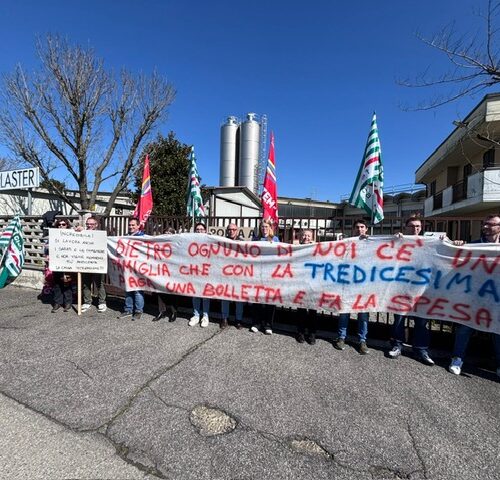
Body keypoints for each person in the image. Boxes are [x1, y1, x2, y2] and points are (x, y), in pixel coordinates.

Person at [449, 214, 500, 377]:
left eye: (490, 224)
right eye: (485, 224)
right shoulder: (475, 245)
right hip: (475, 296)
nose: (485, 227)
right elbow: (458, 259)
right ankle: (457, 359)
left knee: (497, 331)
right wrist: (457, 245)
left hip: (496, 299)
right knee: (464, 328)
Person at [387, 215, 435, 366]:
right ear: (405, 227)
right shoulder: (399, 240)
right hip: (401, 288)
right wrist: (394, 239)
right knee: (399, 320)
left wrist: (456, 243)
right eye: (412, 226)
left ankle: (421, 349)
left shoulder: (429, 242)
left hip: (421, 290)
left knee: (421, 322)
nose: (415, 229)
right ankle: (397, 345)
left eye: (418, 226)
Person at [334, 219, 370, 355]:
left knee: (363, 315)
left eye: (362, 227)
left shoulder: (371, 243)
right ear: (353, 229)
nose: (360, 229)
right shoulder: (347, 243)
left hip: (364, 286)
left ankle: (362, 340)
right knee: (344, 312)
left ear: (366, 229)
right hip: (347, 284)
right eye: (357, 227)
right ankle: (341, 337)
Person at [250, 219, 279, 335]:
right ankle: (256, 323)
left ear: (270, 228)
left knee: (269, 301)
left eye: (266, 227)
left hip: (271, 275)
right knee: (256, 300)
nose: (264, 229)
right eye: (262, 227)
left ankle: (268, 325)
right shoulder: (255, 239)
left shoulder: (275, 240)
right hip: (258, 274)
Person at [119, 217, 145, 321]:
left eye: (133, 225)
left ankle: (138, 311)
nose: (131, 227)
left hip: (139, 268)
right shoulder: (125, 237)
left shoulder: (143, 237)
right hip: (127, 267)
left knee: (138, 290)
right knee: (128, 288)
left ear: (138, 226)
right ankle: (128, 309)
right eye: (129, 225)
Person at [220, 222, 245, 329]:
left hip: (238, 275)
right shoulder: (222, 242)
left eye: (234, 229)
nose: (231, 231)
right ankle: (224, 318)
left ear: (237, 230)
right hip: (225, 274)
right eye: (229, 229)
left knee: (238, 298)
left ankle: (238, 320)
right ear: (227, 231)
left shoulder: (242, 243)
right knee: (225, 297)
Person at [80, 216, 107, 313]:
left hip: (97, 263)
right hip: (85, 263)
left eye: (91, 224)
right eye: (87, 224)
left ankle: (102, 302)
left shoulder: (100, 235)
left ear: (96, 225)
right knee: (86, 284)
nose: (89, 225)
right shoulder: (81, 234)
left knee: (99, 284)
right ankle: (87, 302)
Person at [296, 229, 318, 345]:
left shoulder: (316, 249)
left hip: (313, 284)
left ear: (312, 237)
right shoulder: (296, 248)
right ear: (300, 236)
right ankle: (300, 332)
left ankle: (312, 333)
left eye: (308, 236)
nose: (306, 237)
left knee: (313, 310)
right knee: (301, 310)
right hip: (301, 284)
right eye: (304, 235)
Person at [188, 222, 211, 328]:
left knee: (205, 295)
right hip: (194, 271)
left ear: (205, 231)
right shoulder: (190, 241)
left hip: (206, 272)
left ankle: (205, 316)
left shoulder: (210, 241)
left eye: (202, 229)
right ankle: (196, 315)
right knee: (195, 294)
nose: (199, 231)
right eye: (197, 229)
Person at [153, 227, 178, 322]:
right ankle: (161, 311)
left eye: (169, 232)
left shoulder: (176, 244)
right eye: (165, 232)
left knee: (172, 292)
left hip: (172, 272)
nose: (167, 234)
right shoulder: (159, 243)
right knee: (160, 292)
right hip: (161, 271)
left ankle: (173, 312)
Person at [50, 218, 75, 313]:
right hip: (56, 263)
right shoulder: (53, 236)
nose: (61, 226)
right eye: (59, 225)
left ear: (67, 225)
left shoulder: (71, 235)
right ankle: (57, 302)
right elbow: (47, 248)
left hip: (68, 263)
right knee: (57, 284)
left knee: (67, 283)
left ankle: (68, 303)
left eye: (63, 224)